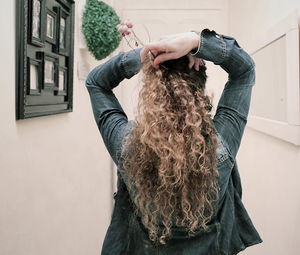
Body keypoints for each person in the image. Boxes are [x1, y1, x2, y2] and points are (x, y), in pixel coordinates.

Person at [85, 20, 263, 255]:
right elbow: (244, 70)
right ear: (199, 79)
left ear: (153, 84)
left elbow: (96, 82)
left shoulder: (127, 145)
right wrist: (197, 40)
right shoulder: (221, 144)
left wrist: (143, 54)